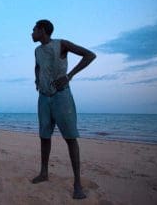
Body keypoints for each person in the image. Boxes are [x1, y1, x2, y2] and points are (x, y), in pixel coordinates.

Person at [31, 19, 96, 199]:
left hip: (62, 97)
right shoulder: (37, 50)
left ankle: (77, 184)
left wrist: (70, 76)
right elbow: (37, 66)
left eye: (34, 29)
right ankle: (44, 173)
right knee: (44, 136)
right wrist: (37, 80)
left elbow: (89, 55)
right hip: (43, 98)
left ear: (42, 30)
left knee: (70, 138)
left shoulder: (62, 44)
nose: (31, 33)